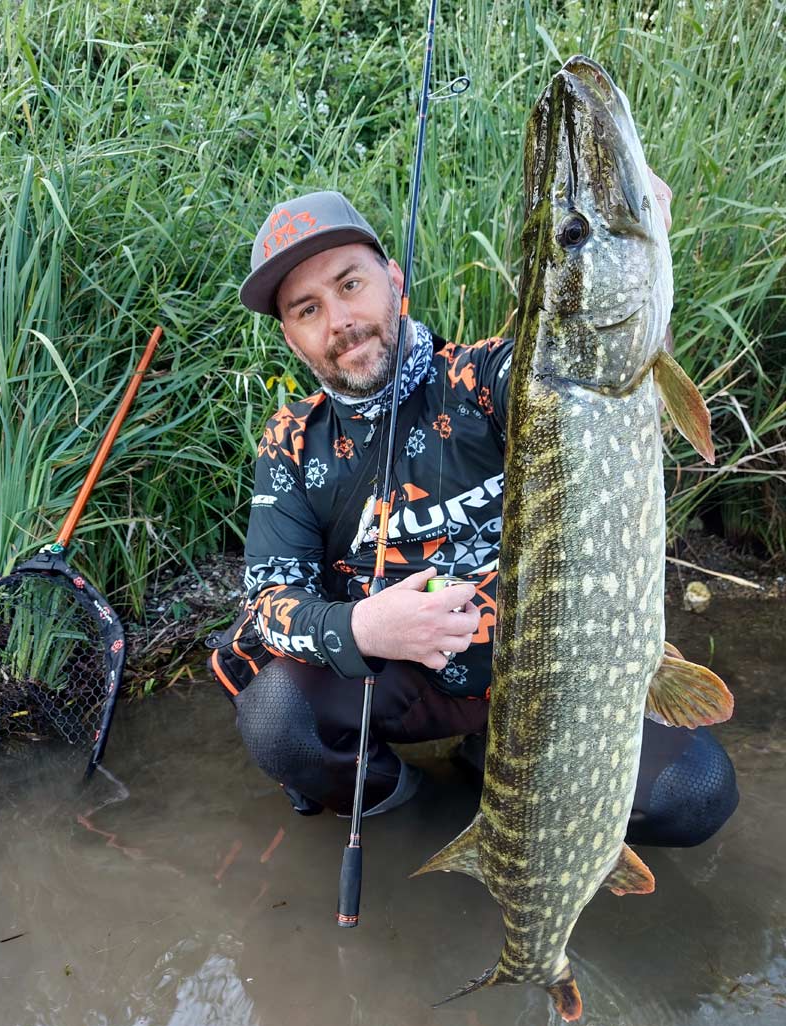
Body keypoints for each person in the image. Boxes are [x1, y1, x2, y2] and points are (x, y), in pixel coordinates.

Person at [232, 187, 738, 846]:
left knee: (694, 791)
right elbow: (269, 598)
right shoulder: (293, 440)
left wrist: (634, 259)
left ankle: (485, 758)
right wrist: (365, 625)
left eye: (350, 284)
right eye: (307, 309)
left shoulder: (492, 377)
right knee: (276, 715)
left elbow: (610, 380)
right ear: (291, 336)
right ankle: (415, 811)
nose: (340, 320)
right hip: (398, 682)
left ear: (393, 280)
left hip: (542, 678)